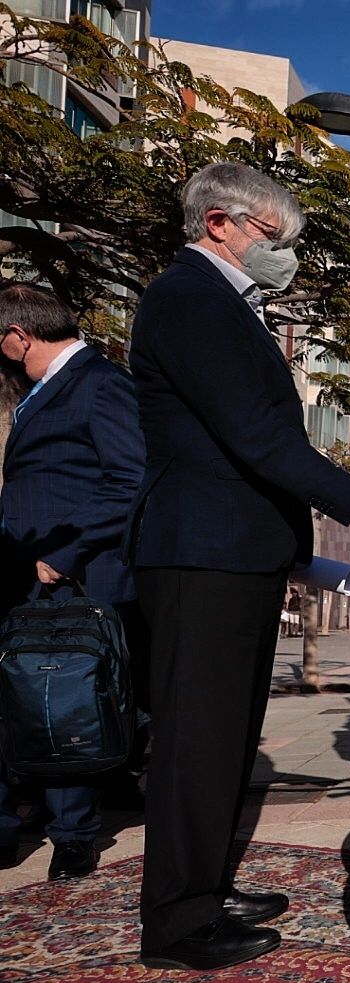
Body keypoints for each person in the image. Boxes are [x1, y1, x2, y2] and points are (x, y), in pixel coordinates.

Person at [127, 162, 350, 971]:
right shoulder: (188, 298)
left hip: (234, 554)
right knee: (197, 739)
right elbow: (259, 440)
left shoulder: (226, 305)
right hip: (202, 553)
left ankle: (204, 885)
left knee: (226, 736)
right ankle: (179, 920)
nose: (285, 255)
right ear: (219, 221)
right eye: (275, 237)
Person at [0, 283, 146, 880]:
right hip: (25, 571)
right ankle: (17, 826)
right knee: (23, 700)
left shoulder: (100, 382)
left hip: (72, 578)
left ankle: (74, 837)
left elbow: (129, 478)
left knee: (65, 705)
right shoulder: (40, 390)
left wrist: (63, 553)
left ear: (18, 337)